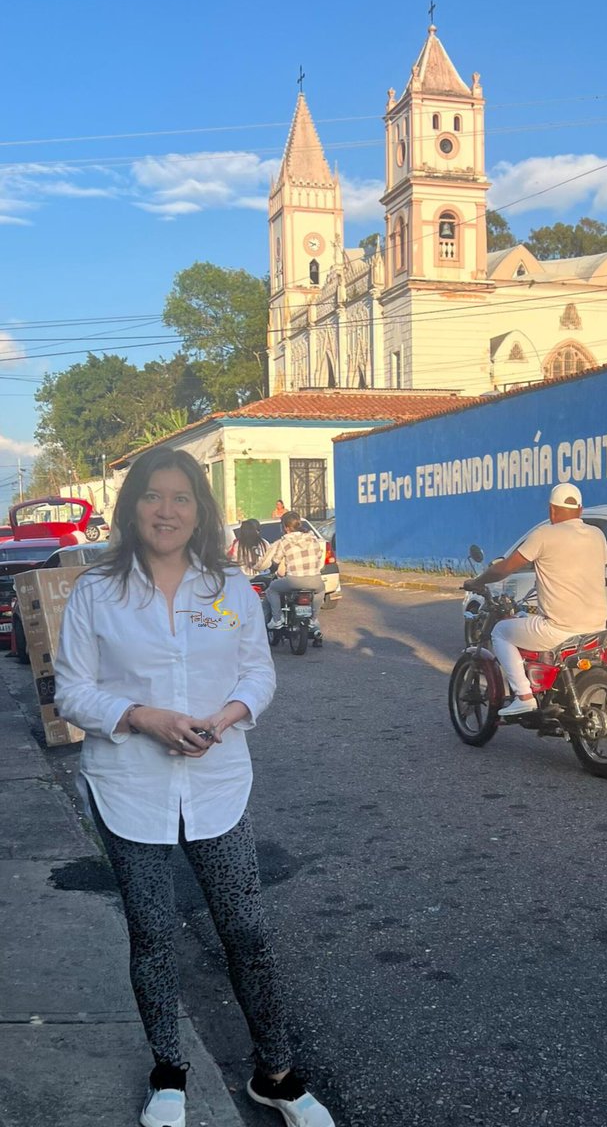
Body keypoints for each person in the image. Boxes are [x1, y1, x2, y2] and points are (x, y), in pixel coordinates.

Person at [54, 448, 334, 1127]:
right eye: (154, 496)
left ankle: (278, 1074)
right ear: (132, 507)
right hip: (128, 785)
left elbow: (256, 675)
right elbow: (72, 691)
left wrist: (230, 714)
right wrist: (141, 718)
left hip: (217, 784)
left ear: (200, 511)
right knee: (151, 933)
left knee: (246, 931)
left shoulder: (231, 589)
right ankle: (168, 1074)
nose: (167, 510)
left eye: (182, 498)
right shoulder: (96, 592)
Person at [463, 482, 607, 715]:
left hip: (559, 628)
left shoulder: (544, 534)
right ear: (580, 510)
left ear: (551, 510)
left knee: (501, 631)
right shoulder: (597, 535)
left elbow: (504, 569)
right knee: (525, 622)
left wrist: (477, 582)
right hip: (596, 627)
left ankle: (524, 696)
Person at [263, 511, 326, 632]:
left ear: (286, 527)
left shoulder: (284, 541)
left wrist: (272, 568)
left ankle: (277, 620)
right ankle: (313, 619)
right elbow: (319, 556)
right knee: (321, 590)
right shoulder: (313, 539)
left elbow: (276, 560)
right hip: (315, 580)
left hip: (293, 581)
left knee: (272, 589)